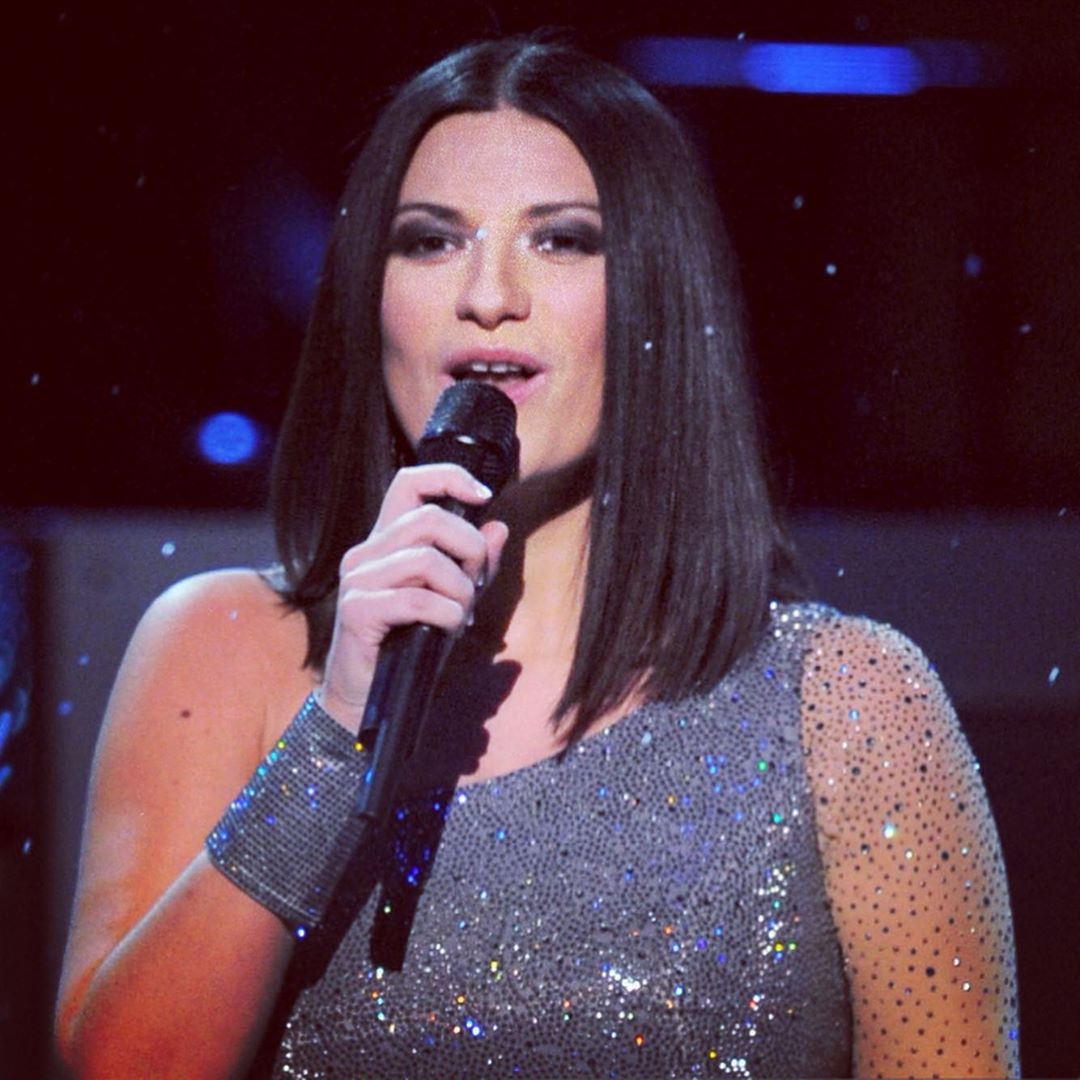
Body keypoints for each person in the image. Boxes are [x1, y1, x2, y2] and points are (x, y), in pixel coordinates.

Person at [54, 36, 1018, 1078]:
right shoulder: (221, 645)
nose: (487, 293)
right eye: (430, 241)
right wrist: (334, 729)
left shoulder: (847, 700)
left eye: (560, 241)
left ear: (657, 297)